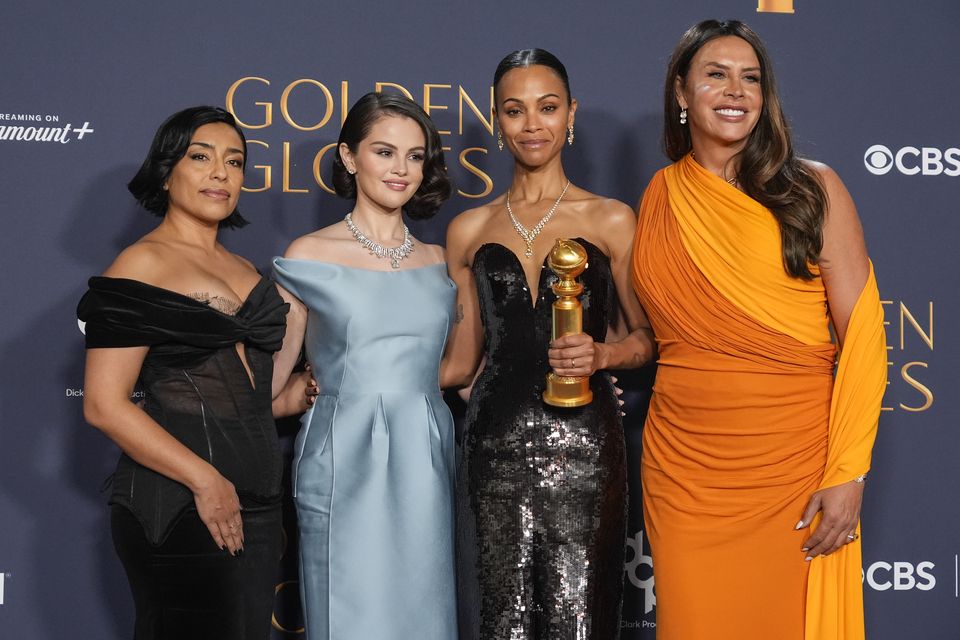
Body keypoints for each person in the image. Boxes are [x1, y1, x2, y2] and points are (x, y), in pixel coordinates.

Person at [631, 20, 887, 640]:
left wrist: (847, 473)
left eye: (751, 78)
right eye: (715, 74)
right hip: (684, 475)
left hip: (792, 469)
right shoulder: (660, 196)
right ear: (681, 93)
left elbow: (863, 336)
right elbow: (659, 334)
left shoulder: (814, 188)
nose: (735, 90)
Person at [78, 106, 313, 639]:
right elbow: (103, 404)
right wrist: (205, 481)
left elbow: (247, 398)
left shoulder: (246, 270)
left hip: (255, 507)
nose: (220, 173)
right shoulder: (142, 265)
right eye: (200, 157)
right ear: (166, 171)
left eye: (235, 162)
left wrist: (296, 393)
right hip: (181, 505)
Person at [444, 49, 655, 640]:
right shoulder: (469, 229)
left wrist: (603, 356)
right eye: (515, 110)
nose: (531, 124)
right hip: (493, 447)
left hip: (586, 445)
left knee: (579, 614)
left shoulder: (613, 220)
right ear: (496, 120)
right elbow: (462, 363)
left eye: (547, 107)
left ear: (571, 116)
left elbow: (645, 341)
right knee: (499, 617)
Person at [270, 92, 456, 640]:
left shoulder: (440, 262)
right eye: (384, 151)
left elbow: (456, 369)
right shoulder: (309, 255)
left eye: (415, 156)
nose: (401, 169)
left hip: (425, 454)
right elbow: (270, 379)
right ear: (349, 158)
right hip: (343, 453)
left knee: (425, 612)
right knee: (350, 612)